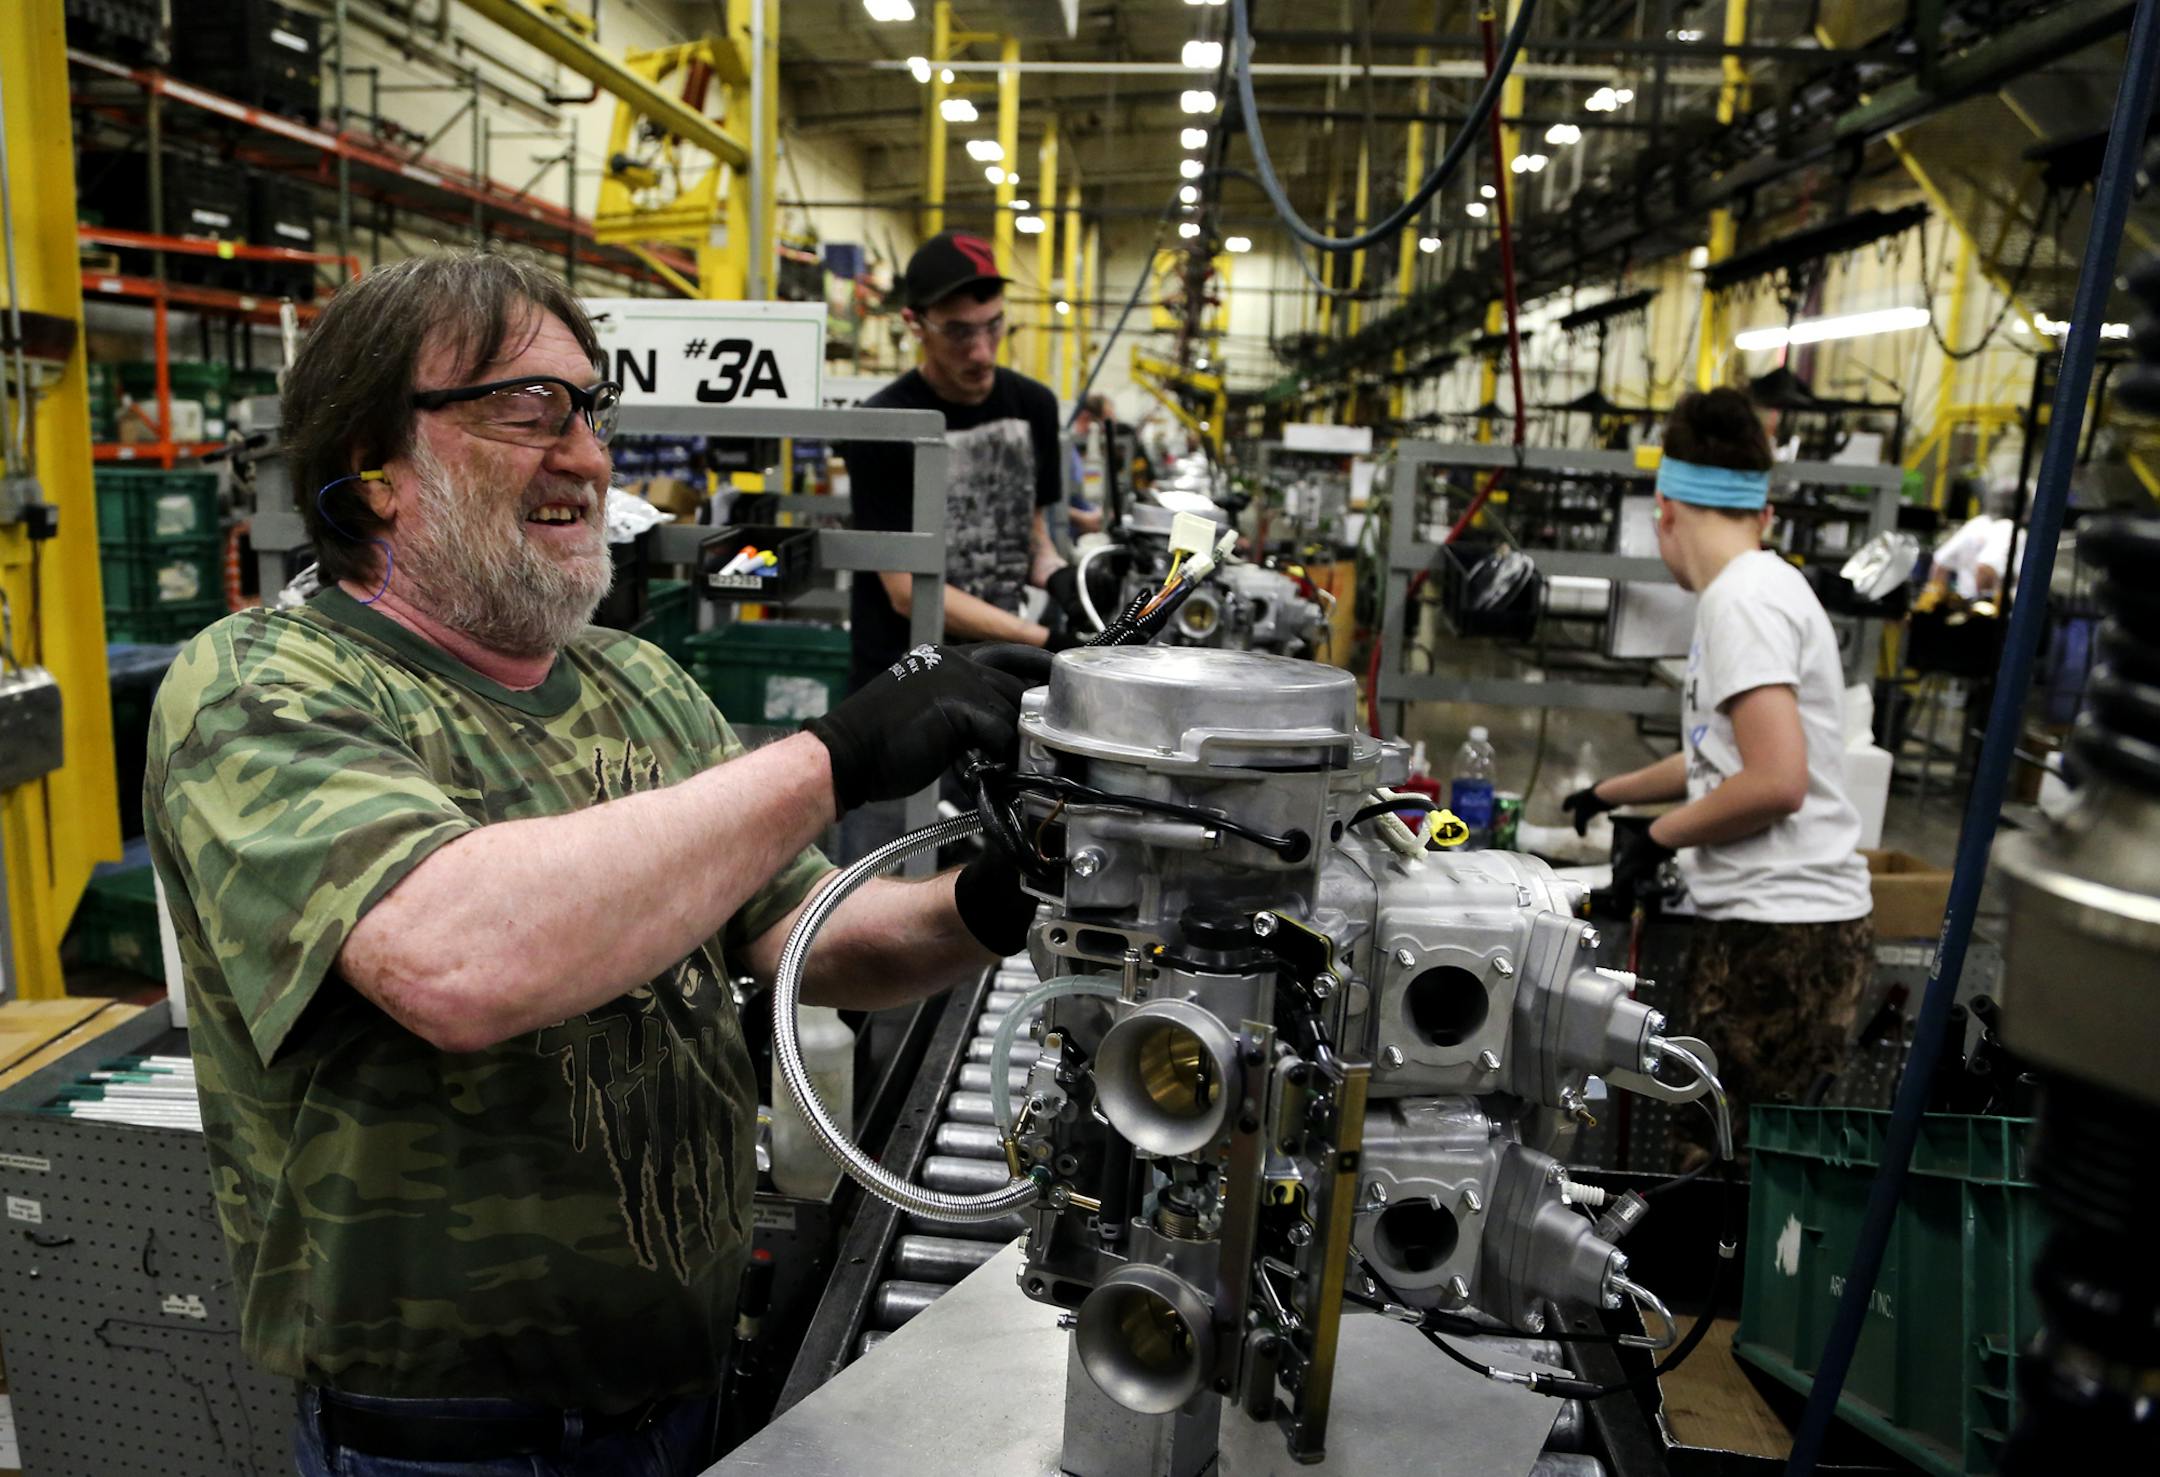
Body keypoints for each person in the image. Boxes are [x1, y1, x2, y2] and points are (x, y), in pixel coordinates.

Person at [142, 251, 1044, 1477]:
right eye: (526, 407)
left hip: (682, 1394)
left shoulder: (643, 685)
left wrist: (996, 896)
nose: (585, 455)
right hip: (450, 1444)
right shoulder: (265, 685)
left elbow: (808, 941)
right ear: (374, 471)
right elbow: (460, 960)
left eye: (590, 407)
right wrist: (830, 762)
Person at [1563, 388, 1874, 1162]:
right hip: (1784, 929)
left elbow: (1775, 781)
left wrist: (1657, 839)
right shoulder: (1755, 589)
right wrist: (1614, 794)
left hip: (1778, 936)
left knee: (1715, 1180)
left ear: (1665, 508)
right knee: (1731, 1174)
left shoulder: (1743, 601)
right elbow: (1723, 754)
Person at [836, 230, 1077, 692]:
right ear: (915, 322)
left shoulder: (1034, 406)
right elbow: (905, 591)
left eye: (993, 325)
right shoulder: (882, 424)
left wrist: (1064, 577)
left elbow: (1033, 539)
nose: (982, 352)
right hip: (904, 684)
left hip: (1002, 674)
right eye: (959, 332)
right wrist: (1044, 642)